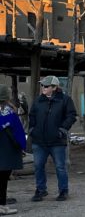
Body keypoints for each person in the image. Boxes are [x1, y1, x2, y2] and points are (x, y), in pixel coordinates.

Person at [28, 75, 77, 203]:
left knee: (60, 167)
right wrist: (32, 129)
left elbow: (71, 116)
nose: (43, 88)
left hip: (57, 141)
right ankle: (40, 190)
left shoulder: (65, 100)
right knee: (38, 166)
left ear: (54, 87)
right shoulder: (38, 101)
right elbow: (31, 115)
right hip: (39, 141)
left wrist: (62, 130)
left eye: (46, 86)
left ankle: (63, 191)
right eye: (42, 85)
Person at [1, 84, 26, 215]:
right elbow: (17, 132)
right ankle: (1, 206)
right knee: (3, 179)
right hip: (7, 150)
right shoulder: (9, 112)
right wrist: (21, 146)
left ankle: (2, 205)